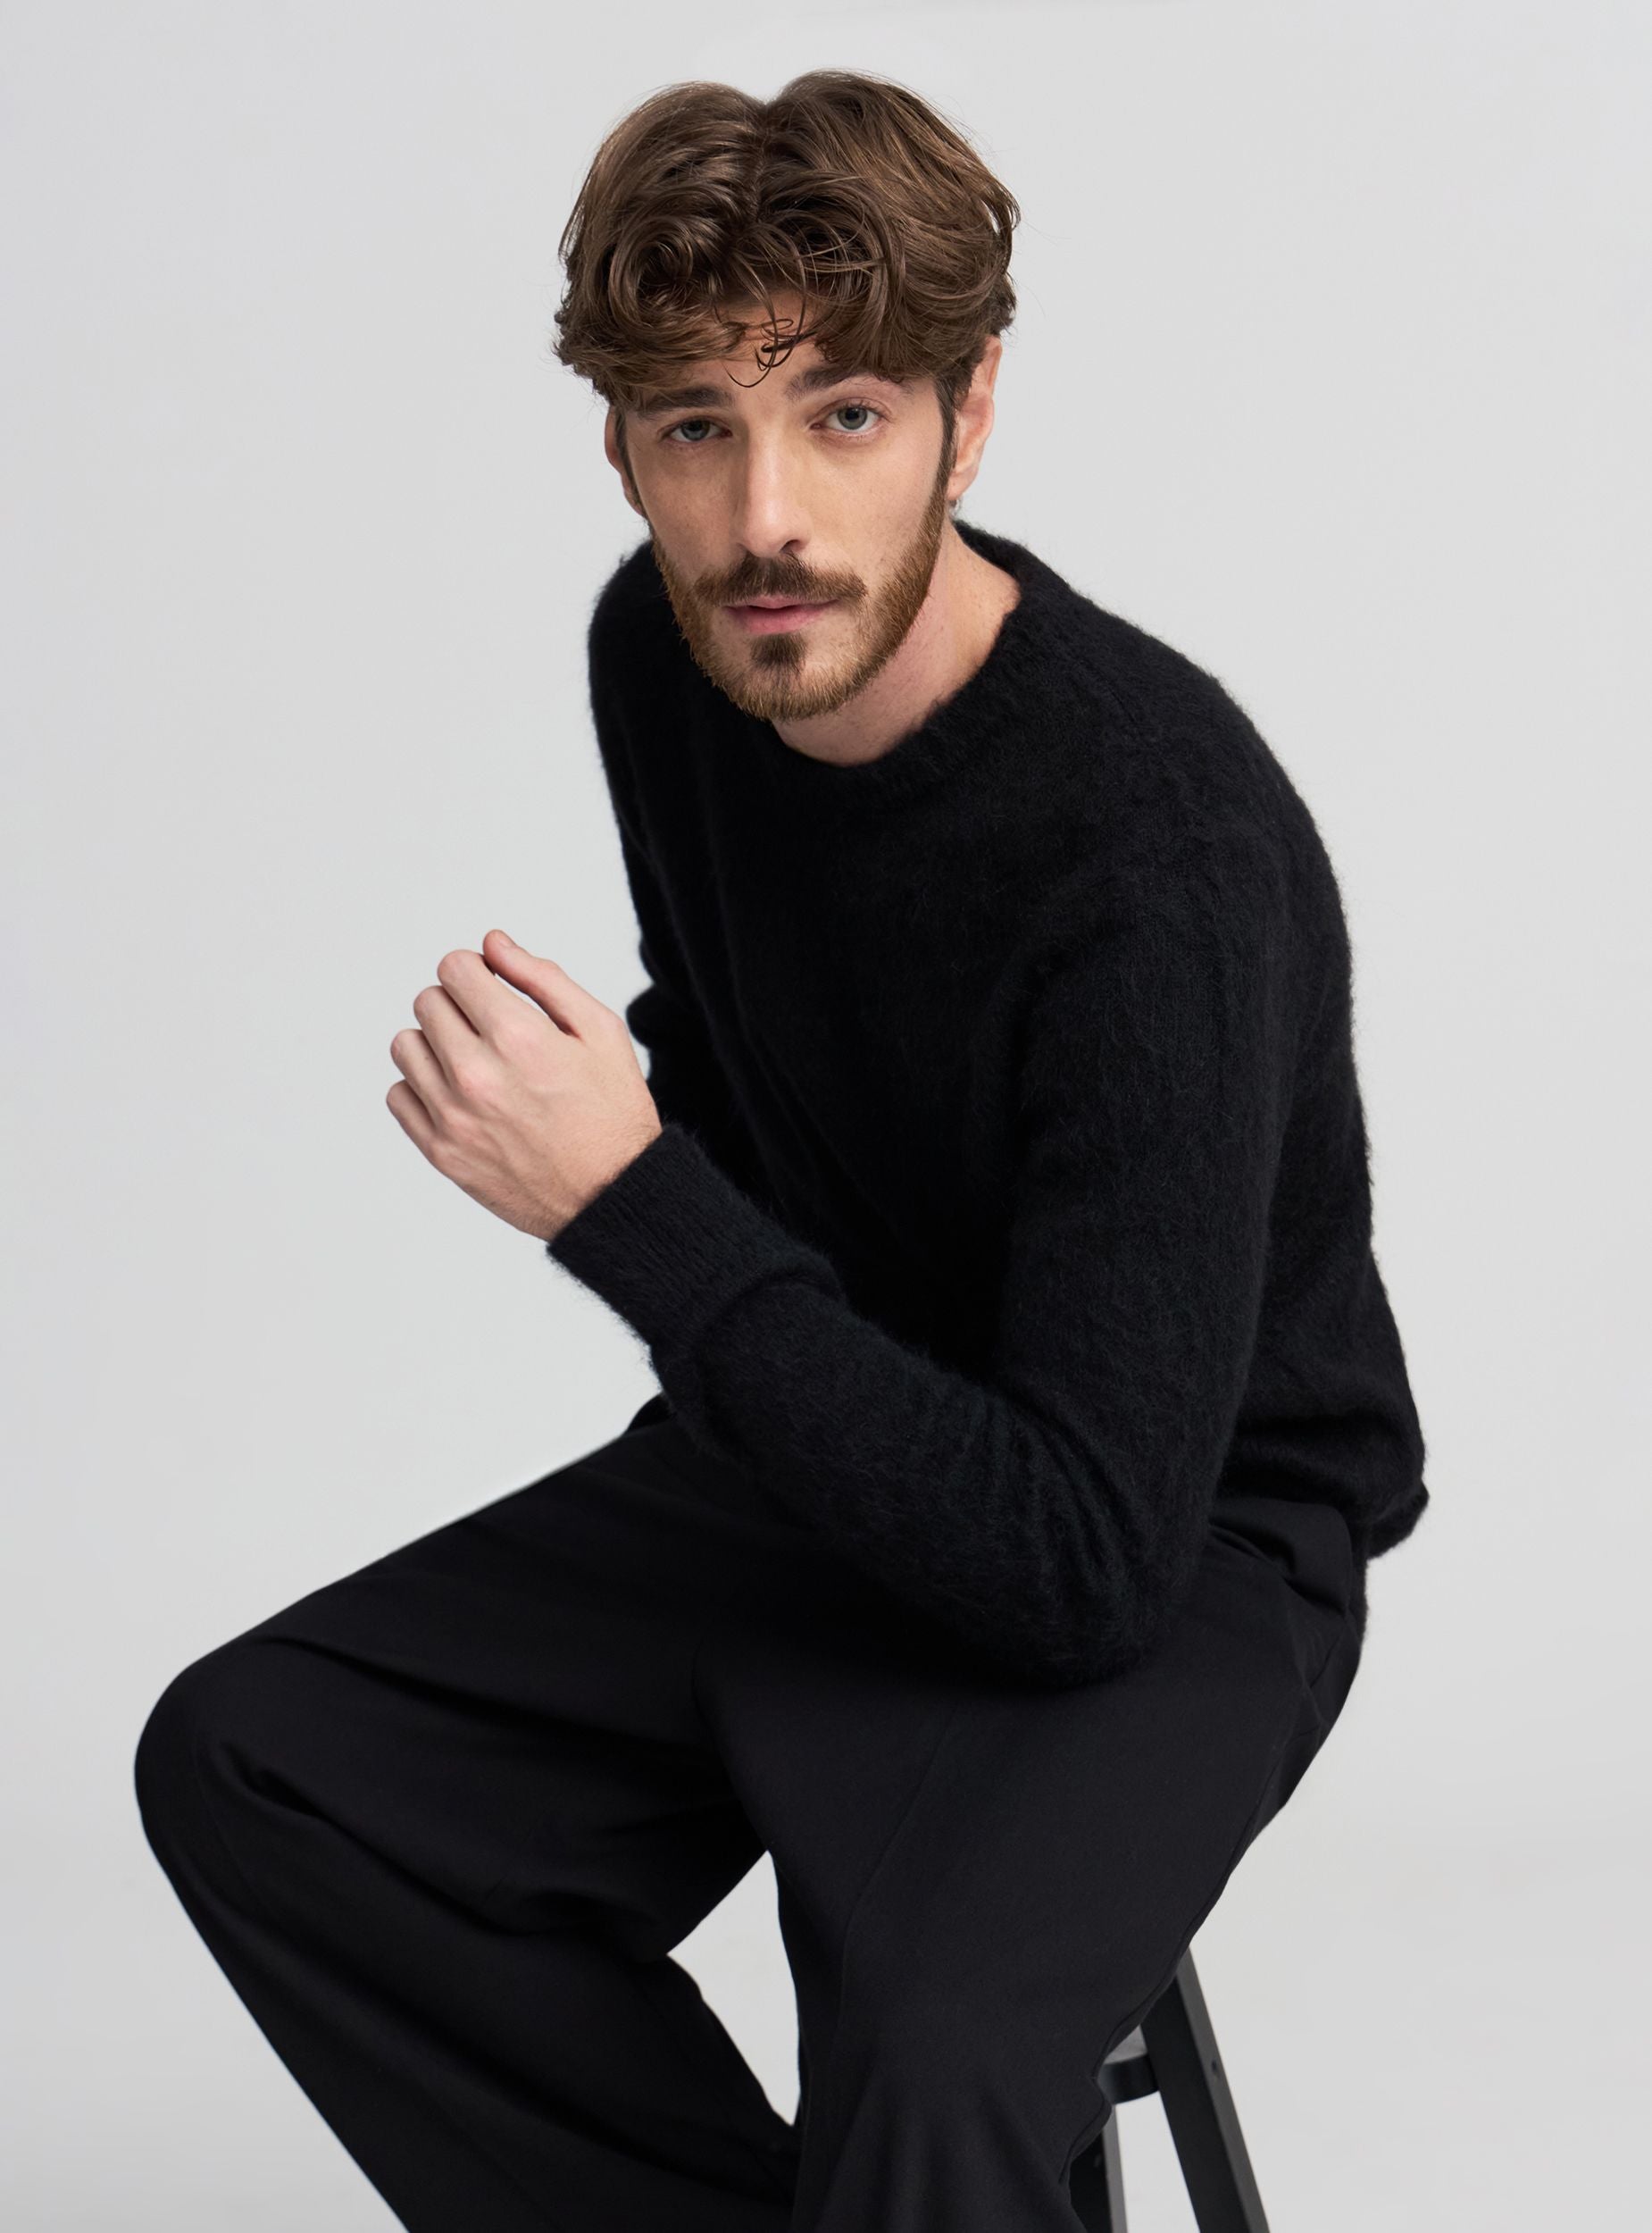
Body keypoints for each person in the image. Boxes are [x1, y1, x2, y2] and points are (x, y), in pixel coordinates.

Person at [134, 67, 1429, 2233]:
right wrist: (644, 1157)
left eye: (841, 414)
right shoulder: (667, 660)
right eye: (694, 428)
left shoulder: (1158, 849)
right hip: (833, 1423)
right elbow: (754, 1077)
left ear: (966, 415)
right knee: (267, 1764)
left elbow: (1080, 1563)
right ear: (621, 448)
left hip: (1181, 1519)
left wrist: (618, 1197)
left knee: (928, 2055)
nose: (765, 522)